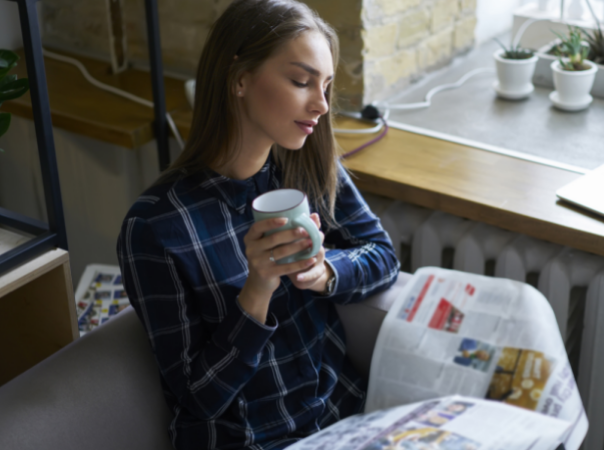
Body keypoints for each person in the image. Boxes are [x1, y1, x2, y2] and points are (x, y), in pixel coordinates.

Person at [116, 0, 400, 448]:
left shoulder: (307, 167)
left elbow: (383, 255)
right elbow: (198, 398)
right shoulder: (156, 227)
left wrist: (325, 273)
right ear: (240, 79)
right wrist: (257, 290)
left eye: (325, 86)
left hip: (341, 417)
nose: (322, 105)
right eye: (301, 81)